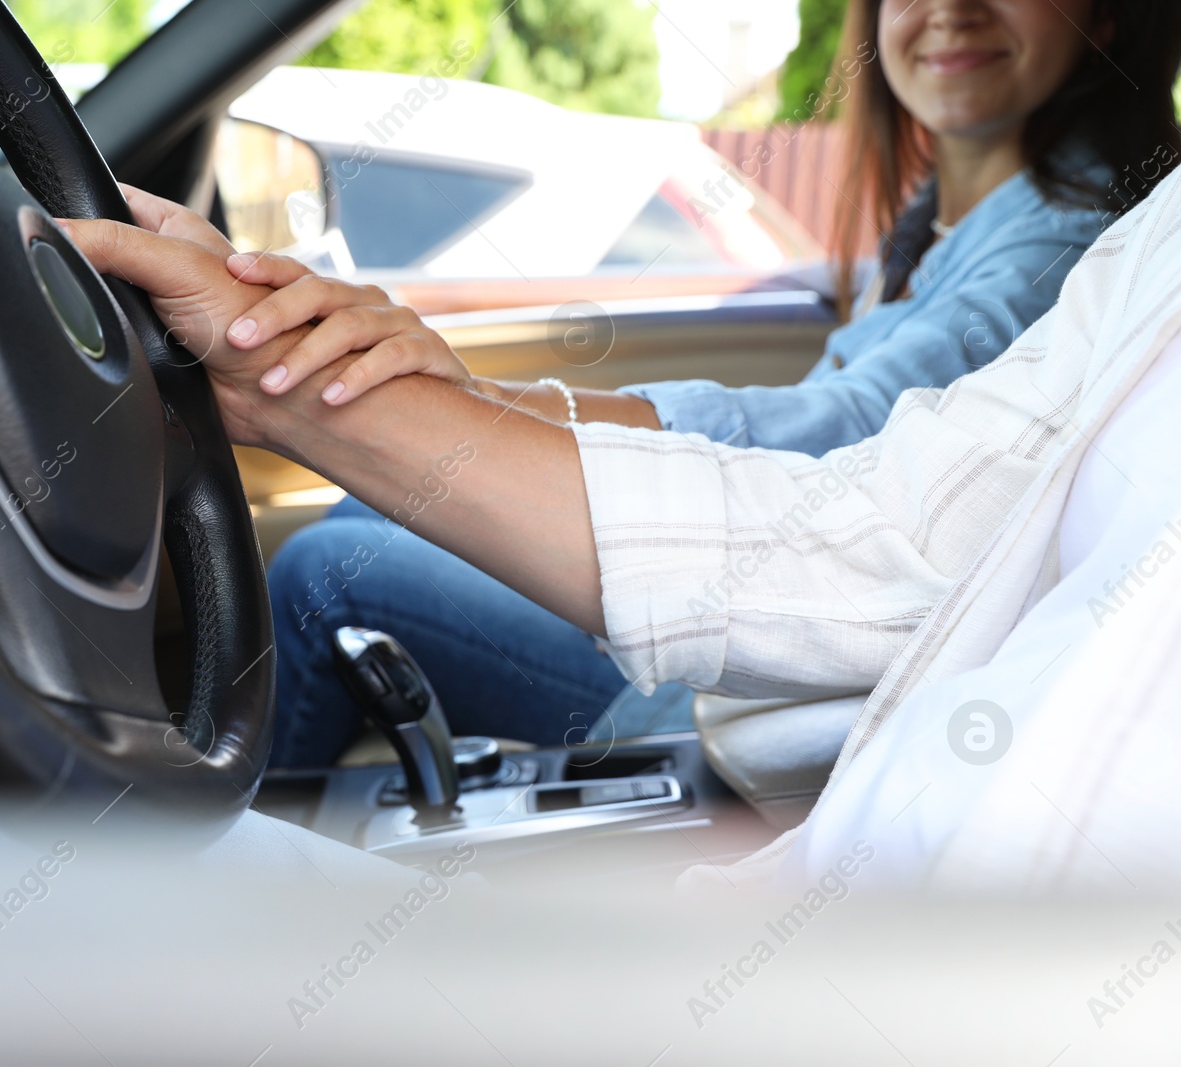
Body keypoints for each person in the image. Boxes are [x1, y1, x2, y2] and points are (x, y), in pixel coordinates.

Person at [209, 0, 1181, 768]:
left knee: (316, 578)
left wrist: (485, 405)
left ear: (1102, 16)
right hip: (765, 639)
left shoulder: (1059, 241)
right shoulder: (937, 230)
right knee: (345, 528)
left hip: (754, 684)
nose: (948, 8)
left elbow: (851, 445)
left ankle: (179, 915)